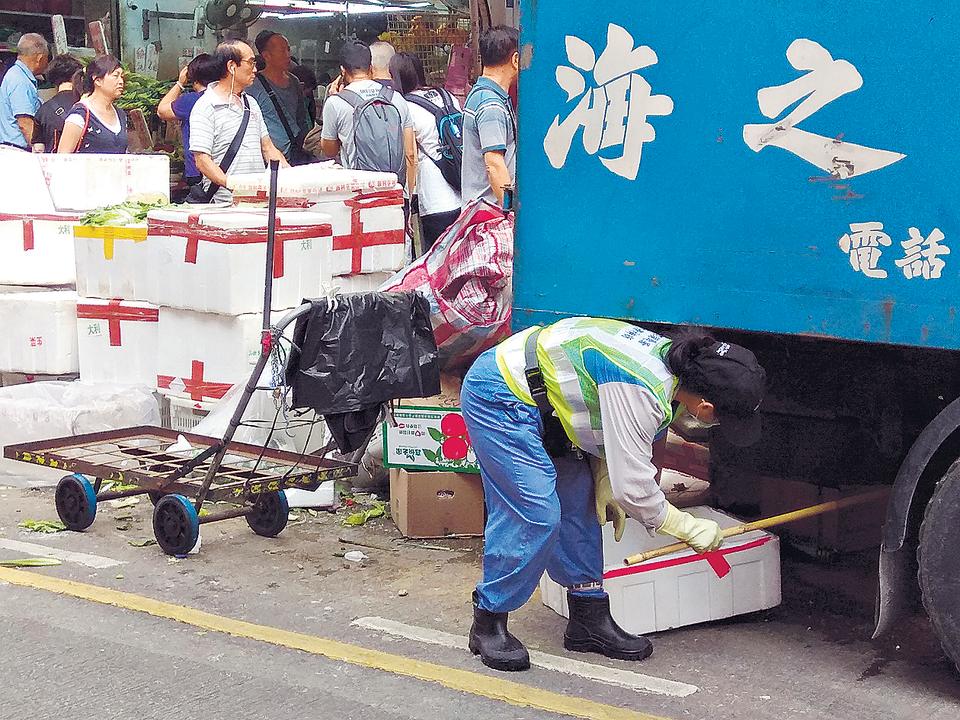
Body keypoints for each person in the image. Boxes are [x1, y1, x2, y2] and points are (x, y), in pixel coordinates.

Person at [460, 319, 766, 671]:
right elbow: (635, 491)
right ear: (707, 409)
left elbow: (606, 414)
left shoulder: (675, 366)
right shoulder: (642, 386)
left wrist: (603, 473)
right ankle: (488, 621)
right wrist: (688, 528)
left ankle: (587, 618)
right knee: (535, 512)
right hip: (500, 394)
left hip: (549, 403)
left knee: (581, 506)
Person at [188, 40, 287, 204]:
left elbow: (268, 148)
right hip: (223, 205)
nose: (255, 69)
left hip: (257, 203)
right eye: (250, 62)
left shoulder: (251, 104)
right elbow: (202, 160)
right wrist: (234, 186)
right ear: (232, 66)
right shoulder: (205, 107)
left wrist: (292, 177)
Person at [390, 51, 462, 253]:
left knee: (436, 260)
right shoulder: (446, 95)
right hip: (460, 189)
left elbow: (411, 155)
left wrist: (409, 201)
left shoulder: (405, 106)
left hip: (434, 197)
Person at [321, 41, 415, 192]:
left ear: (343, 71)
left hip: (359, 193)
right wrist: (409, 197)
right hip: (394, 190)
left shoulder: (335, 103)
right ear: (371, 68)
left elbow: (329, 151)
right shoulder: (396, 98)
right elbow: (410, 153)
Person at [461, 26, 518, 207]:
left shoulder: (480, 94)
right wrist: (510, 212)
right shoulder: (491, 104)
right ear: (516, 60)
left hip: (480, 209)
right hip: (489, 212)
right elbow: (494, 164)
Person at [246, 31, 310, 165]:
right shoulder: (253, 86)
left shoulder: (294, 82)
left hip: (294, 154)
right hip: (267, 159)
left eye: (288, 49)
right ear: (266, 56)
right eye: (282, 51)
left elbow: (301, 118)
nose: (288, 55)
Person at [157, 53, 219, 188]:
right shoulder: (228, 98)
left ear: (193, 77)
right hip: (222, 170)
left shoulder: (190, 100)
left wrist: (180, 83)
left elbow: (161, 110)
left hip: (198, 171)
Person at [58, 55, 128, 154]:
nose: (121, 81)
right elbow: (62, 157)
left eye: (122, 77)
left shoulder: (121, 115)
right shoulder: (80, 115)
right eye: (115, 76)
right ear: (97, 80)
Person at [0, 34, 48, 150]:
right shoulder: (20, 80)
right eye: (47, 58)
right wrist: (40, 151)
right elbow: (25, 123)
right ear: (40, 58)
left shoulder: (17, 75)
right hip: (17, 152)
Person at [32, 53, 82, 152]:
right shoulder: (87, 106)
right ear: (76, 77)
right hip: (84, 165)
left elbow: (38, 149)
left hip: (53, 165)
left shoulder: (43, 111)